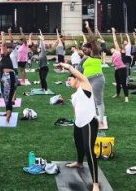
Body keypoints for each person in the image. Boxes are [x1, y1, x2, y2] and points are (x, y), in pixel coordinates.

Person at [58, 62, 99, 191]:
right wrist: (76, 122)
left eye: (69, 79)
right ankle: (80, 163)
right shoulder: (73, 95)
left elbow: (76, 73)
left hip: (89, 122)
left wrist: (66, 66)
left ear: (76, 78)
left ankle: (95, 184)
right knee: (78, 144)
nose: (68, 82)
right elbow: (76, 110)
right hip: (79, 123)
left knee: (89, 150)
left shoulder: (85, 86)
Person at [83, 21, 106, 129]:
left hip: (97, 79)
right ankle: (93, 117)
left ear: (91, 48)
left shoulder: (95, 53)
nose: (84, 51)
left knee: (98, 100)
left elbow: (92, 39)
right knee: (89, 100)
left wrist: (88, 28)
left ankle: (101, 120)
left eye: (85, 49)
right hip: (88, 80)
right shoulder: (87, 58)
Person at [0, 31, 17, 125]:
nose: (1, 47)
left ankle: (8, 117)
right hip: (4, 78)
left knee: (8, 97)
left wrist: (3, 35)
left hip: (9, 78)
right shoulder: (2, 57)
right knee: (5, 96)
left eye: (2, 47)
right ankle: (7, 111)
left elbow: (4, 44)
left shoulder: (6, 55)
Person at [111, 27, 128, 103]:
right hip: (117, 69)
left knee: (123, 83)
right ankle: (117, 94)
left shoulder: (119, 51)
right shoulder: (114, 53)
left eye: (113, 48)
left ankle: (126, 97)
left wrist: (113, 32)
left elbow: (115, 40)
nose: (112, 49)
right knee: (118, 83)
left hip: (122, 69)